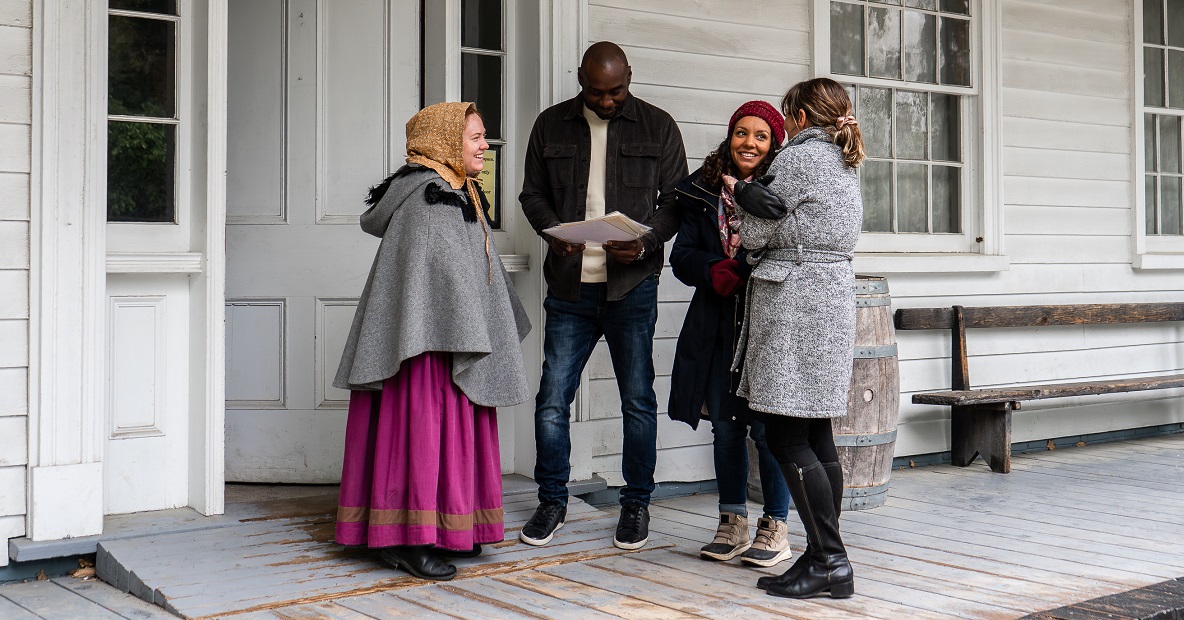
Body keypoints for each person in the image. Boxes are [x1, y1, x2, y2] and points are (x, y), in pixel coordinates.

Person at [333, 102, 532, 582]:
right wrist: (465, 328)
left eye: (484, 136)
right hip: (423, 349)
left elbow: (465, 279)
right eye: (476, 137)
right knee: (421, 430)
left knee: (448, 428)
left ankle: (449, 528)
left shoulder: (457, 192)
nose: (486, 145)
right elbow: (433, 287)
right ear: (445, 142)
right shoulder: (431, 200)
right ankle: (410, 538)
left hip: (443, 340)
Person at [518, 41, 688, 550]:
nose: (608, 100)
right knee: (552, 401)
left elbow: (676, 202)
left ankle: (636, 506)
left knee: (637, 401)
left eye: (617, 90)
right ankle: (553, 501)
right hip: (569, 286)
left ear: (629, 77)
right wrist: (552, 230)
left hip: (632, 289)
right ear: (580, 79)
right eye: (597, 91)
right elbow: (532, 194)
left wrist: (646, 242)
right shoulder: (550, 125)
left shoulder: (659, 126)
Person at [726, 78, 865, 599]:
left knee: (786, 436)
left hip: (794, 302)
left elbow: (757, 236)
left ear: (800, 117)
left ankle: (829, 558)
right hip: (830, 297)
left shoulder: (797, 159)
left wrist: (742, 195)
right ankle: (825, 555)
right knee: (816, 433)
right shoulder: (845, 159)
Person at [667, 100, 793, 568]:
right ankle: (732, 520)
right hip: (716, 323)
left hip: (766, 323)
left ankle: (776, 526)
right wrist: (713, 269)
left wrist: (744, 268)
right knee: (724, 426)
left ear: (774, 144)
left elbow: (789, 248)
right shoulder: (702, 191)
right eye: (742, 133)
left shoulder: (784, 189)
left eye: (761, 135)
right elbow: (681, 258)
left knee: (767, 429)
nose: (750, 143)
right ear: (730, 136)